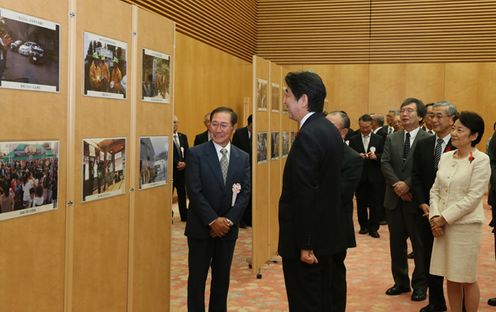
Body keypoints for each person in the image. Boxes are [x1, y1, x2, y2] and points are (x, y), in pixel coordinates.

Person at [278, 71, 345, 311]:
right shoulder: (328, 129)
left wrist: (306, 244)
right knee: (324, 299)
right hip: (326, 235)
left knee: (306, 302)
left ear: (303, 99)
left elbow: (306, 193)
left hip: (307, 242)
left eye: (287, 94)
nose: (284, 100)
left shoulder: (309, 134)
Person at [185, 107, 250, 312]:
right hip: (201, 228)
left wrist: (228, 221)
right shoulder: (196, 153)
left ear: (233, 127)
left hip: (228, 231)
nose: (218, 129)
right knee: (197, 279)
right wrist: (213, 220)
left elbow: (245, 193)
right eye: (214, 124)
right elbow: (194, 191)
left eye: (223, 125)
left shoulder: (243, 157)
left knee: (222, 279)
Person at [428, 111, 489, 312]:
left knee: (466, 277)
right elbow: (435, 189)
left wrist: (444, 219)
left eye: (460, 129)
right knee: (450, 276)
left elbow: (473, 197)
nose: (454, 133)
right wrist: (435, 217)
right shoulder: (445, 157)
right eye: (453, 128)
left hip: (464, 228)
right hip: (441, 227)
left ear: (474, 136)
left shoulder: (481, 160)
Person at [381, 97, 429, 301]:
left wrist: (407, 184)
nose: (404, 114)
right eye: (402, 110)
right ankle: (401, 282)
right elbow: (384, 163)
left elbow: (425, 169)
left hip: (415, 200)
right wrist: (397, 186)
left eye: (409, 110)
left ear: (420, 116)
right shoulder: (392, 138)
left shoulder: (427, 139)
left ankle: (420, 285)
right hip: (394, 199)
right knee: (396, 244)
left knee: (419, 245)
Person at [412, 101, 458, 312]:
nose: (434, 120)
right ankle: (436, 302)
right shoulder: (423, 143)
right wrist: (424, 203)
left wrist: (443, 212)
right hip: (427, 212)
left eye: (440, 116)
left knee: (455, 261)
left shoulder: (460, 146)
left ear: (452, 120)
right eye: (432, 116)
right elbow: (417, 176)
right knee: (430, 258)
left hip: (453, 215)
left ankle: (460, 303)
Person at [326, 111, 363, 312]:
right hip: (313, 227)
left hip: (336, 227)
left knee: (334, 275)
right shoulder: (315, 151)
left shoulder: (352, 158)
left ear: (344, 132)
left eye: (331, 127)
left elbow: (340, 195)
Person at [349, 114, 385, 238]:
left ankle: (374, 228)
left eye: (367, 127)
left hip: (375, 176)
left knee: (376, 203)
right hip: (360, 176)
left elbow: (385, 156)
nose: (364, 130)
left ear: (372, 125)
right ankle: (363, 226)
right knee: (361, 203)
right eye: (362, 127)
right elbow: (349, 157)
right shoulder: (353, 139)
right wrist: (357, 156)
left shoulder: (379, 139)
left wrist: (376, 157)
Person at [231, 114, 253, 228]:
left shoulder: (259, 133)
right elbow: (234, 149)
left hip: (254, 169)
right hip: (241, 168)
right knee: (241, 193)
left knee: (250, 193)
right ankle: (241, 220)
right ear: (249, 124)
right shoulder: (239, 133)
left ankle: (250, 219)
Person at [172, 115, 189, 221]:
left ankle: (184, 215)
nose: (175, 124)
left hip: (183, 172)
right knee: (169, 194)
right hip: (172, 171)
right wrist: (177, 163)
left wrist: (185, 163)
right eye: (173, 122)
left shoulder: (183, 136)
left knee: (182, 194)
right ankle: (169, 215)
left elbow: (188, 152)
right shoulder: (166, 136)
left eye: (176, 122)